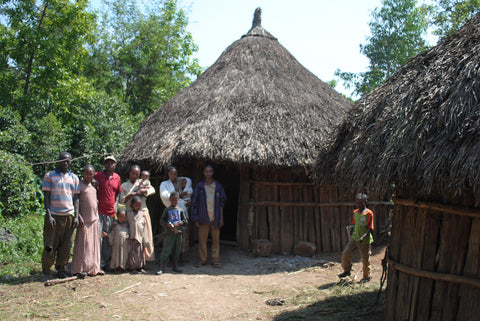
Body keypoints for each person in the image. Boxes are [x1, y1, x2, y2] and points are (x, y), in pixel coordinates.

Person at [41, 152, 80, 281]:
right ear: (58, 161)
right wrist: (49, 214)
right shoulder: (50, 176)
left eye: (68, 161)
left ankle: (61, 268)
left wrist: (76, 216)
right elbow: (46, 196)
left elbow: (76, 198)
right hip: (54, 215)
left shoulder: (74, 178)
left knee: (66, 245)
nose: (66, 163)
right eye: (63, 160)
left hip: (68, 215)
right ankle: (46, 270)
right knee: (50, 245)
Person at [71, 165, 104, 277]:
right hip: (84, 219)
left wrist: (97, 217)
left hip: (94, 219)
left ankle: (94, 267)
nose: (89, 176)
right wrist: (78, 216)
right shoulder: (79, 186)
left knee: (94, 244)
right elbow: (76, 202)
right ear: (83, 173)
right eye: (87, 173)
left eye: (91, 174)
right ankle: (80, 268)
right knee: (83, 244)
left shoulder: (93, 187)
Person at [191, 165, 226, 268]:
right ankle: (202, 259)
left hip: (215, 218)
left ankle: (215, 260)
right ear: (203, 173)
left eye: (210, 171)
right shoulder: (200, 186)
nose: (208, 173)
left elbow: (221, 203)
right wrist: (196, 218)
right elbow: (195, 203)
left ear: (213, 172)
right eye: (206, 171)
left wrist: (221, 218)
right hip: (203, 218)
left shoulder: (218, 186)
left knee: (216, 240)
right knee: (202, 240)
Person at [119, 165, 155, 261]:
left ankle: (143, 260)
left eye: (137, 174)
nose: (135, 176)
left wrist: (144, 190)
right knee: (131, 237)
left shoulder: (142, 183)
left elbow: (152, 190)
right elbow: (121, 201)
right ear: (129, 173)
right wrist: (131, 195)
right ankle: (130, 260)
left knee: (144, 236)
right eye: (133, 173)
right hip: (130, 213)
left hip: (142, 211)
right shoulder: (124, 186)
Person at [338, 193, 374, 282]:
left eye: (361, 203)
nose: (358, 204)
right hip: (354, 238)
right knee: (345, 254)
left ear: (366, 202)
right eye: (357, 203)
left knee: (365, 259)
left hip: (364, 241)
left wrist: (363, 236)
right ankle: (347, 270)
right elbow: (355, 224)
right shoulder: (355, 213)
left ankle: (366, 276)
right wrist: (352, 231)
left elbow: (370, 228)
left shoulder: (369, 213)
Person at [95, 155, 121, 271]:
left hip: (111, 213)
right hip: (99, 212)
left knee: (108, 239)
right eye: (107, 162)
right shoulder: (97, 176)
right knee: (99, 238)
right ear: (104, 164)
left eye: (112, 163)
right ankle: (98, 263)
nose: (110, 165)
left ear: (115, 165)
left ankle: (106, 263)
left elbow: (118, 193)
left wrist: (116, 203)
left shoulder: (117, 178)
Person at [157, 192, 188, 274]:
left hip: (178, 234)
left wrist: (181, 223)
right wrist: (167, 224)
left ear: (178, 200)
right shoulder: (167, 210)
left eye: (176, 200)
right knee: (166, 250)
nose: (174, 201)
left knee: (177, 250)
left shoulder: (180, 210)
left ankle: (175, 266)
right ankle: (161, 267)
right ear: (170, 200)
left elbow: (185, 221)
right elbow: (162, 220)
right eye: (172, 200)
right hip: (169, 234)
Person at [126, 196, 151, 272]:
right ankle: (132, 267)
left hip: (140, 236)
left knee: (140, 252)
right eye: (136, 205)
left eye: (139, 205)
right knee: (132, 252)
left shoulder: (142, 214)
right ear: (131, 205)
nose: (138, 207)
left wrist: (146, 239)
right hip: (132, 235)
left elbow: (144, 227)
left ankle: (140, 266)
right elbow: (126, 224)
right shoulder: (129, 214)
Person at [104, 208, 130, 272]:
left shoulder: (127, 225)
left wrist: (128, 235)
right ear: (117, 216)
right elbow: (112, 233)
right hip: (116, 244)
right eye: (120, 217)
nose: (121, 219)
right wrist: (108, 235)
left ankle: (123, 267)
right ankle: (116, 267)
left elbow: (129, 232)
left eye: (123, 217)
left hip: (124, 244)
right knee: (116, 255)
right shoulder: (115, 224)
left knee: (124, 255)